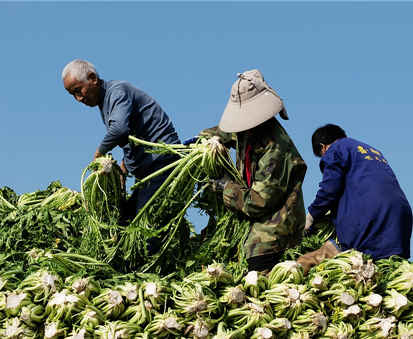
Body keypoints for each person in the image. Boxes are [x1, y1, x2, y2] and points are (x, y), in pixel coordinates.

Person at [196, 70, 307, 274]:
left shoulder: (275, 148)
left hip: (277, 220)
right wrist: (202, 142)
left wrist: (225, 186)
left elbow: (259, 202)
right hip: (250, 215)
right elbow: (219, 132)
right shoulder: (243, 129)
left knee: (255, 265)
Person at [61, 60, 180, 221]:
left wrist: (98, 154)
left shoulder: (117, 92)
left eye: (78, 90)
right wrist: (124, 168)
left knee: (143, 224)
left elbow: (119, 129)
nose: (78, 99)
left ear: (92, 78)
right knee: (125, 222)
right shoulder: (105, 103)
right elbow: (132, 137)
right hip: (149, 168)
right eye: (73, 95)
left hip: (162, 160)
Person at [298, 124, 412, 274]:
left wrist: (311, 217)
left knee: (363, 268)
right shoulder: (371, 151)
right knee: (390, 268)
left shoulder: (335, 149)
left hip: (371, 212)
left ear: (322, 146)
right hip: (400, 213)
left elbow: (330, 188)